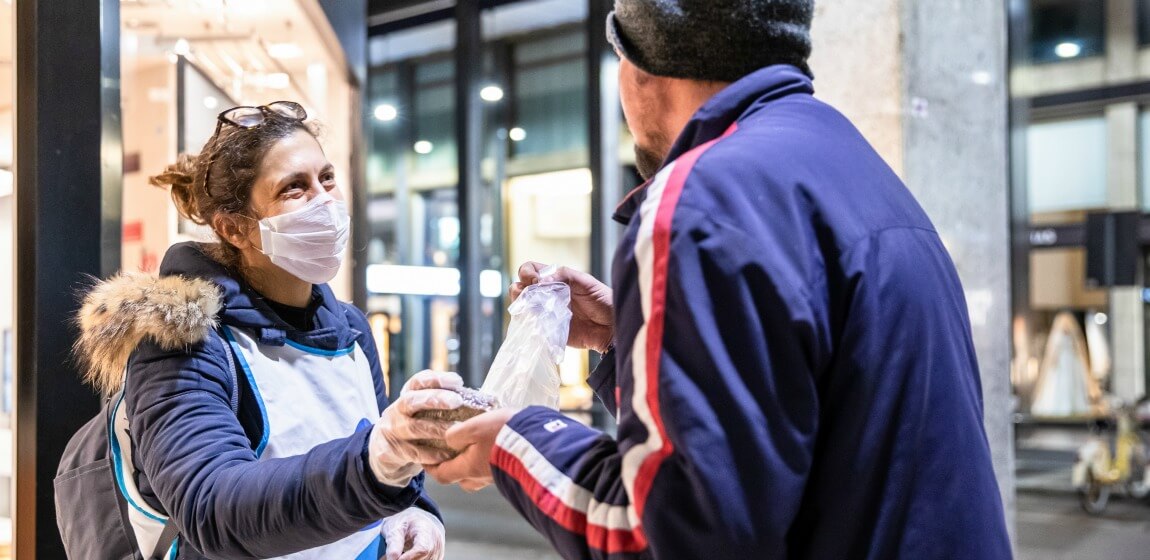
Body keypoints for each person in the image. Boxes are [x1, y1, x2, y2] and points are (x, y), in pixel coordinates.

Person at [423, 1, 1014, 559]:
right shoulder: (861, 174)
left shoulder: (697, 203)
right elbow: (790, 432)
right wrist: (626, 339)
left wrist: (513, 441)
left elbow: (667, 537)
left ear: (642, 66)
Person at [75, 101, 462, 559]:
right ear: (235, 228)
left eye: (327, 177)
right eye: (294, 188)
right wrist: (375, 461)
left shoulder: (352, 328)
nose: (325, 201)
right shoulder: (183, 342)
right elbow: (210, 508)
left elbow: (373, 462)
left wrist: (413, 509)